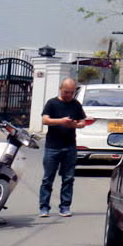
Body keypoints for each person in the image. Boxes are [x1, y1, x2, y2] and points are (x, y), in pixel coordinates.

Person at [38, 78, 92, 218]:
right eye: (66, 92)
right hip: (52, 146)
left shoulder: (76, 105)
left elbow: (82, 122)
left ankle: (65, 206)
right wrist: (61, 121)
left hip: (69, 146)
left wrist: (75, 124)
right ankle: (44, 207)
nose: (69, 95)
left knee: (68, 178)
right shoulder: (52, 103)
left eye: (71, 92)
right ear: (61, 89)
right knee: (47, 179)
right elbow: (45, 120)